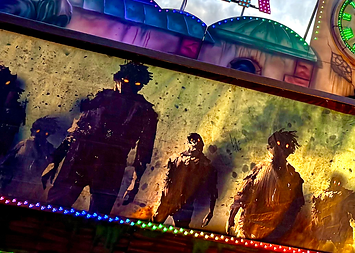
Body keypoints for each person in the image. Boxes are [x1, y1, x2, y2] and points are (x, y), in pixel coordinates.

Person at [42, 61, 158, 215]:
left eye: (135, 83)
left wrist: (135, 183)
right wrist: (55, 160)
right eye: (125, 81)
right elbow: (76, 130)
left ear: (141, 85)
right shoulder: (101, 98)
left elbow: (144, 149)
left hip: (110, 165)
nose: (128, 87)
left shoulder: (146, 111)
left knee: (98, 216)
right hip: (80, 158)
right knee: (54, 207)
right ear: (117, 79)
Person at [227, 129, 305, 242]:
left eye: (278, 145)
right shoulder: (261, 169)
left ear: (286, 149)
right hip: (249, 227)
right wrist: (231, 218)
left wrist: (283, 229)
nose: (275, 149)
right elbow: (243, 192)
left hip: (274, 231)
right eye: (273, 145)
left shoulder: (293, 176)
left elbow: (296, 205)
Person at [152, 133, 218, 228]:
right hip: (167, 201)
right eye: (191, 143)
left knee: (180, 233)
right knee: (151, 228)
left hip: (184, 206)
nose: (193, 147)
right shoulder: (177, 159)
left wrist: (210, 212)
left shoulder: (205, 165)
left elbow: (213, 190)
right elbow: (167, 180)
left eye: (196, 145)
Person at [0, 116, 59, 201]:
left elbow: (51, 173)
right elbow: (5, 164)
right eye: (37, 130)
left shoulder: (49, 150)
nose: (39, 134)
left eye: (45, 133)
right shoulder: (22, 145)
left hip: (33, 192)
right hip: (14, 189)